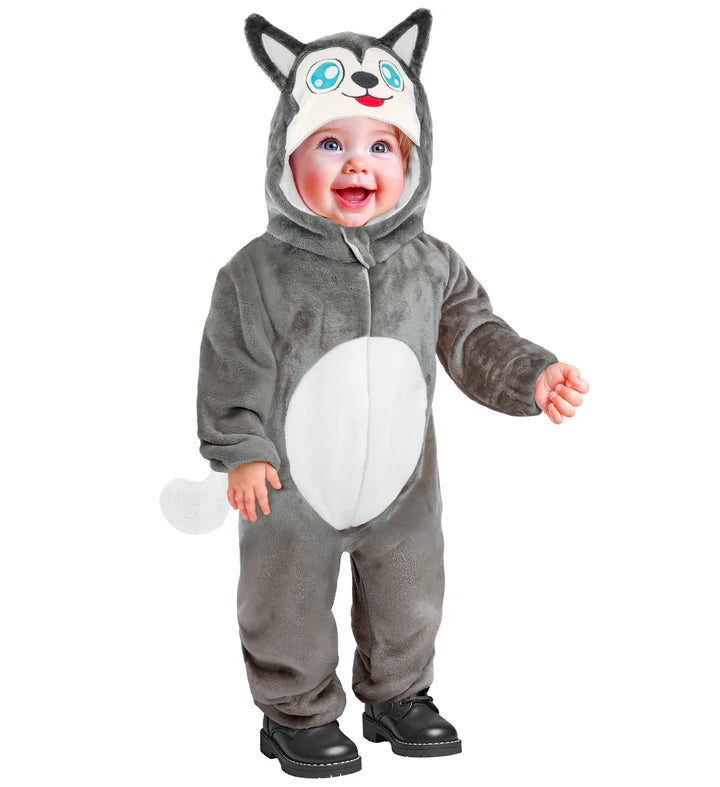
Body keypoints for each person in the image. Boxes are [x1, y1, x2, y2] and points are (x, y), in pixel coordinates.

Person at [196, 10, 589, 779]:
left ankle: (399, 695)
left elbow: (474, 334)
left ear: (414, 160)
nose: (356, 163)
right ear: (286, 156)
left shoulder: (430, 264)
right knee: (286, 600)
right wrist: (240, 450)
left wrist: (531, 374)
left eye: (381, 146)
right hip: (290, 487)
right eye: (330, 144)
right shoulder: (257, 272)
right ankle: (296, 712)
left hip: (402, 488)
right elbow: (231, 363)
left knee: (410, 593)